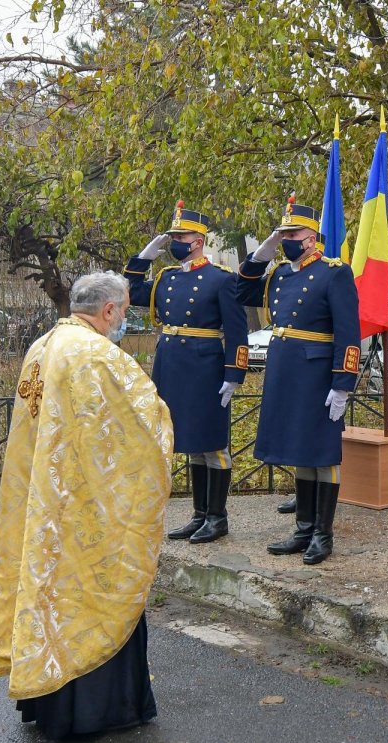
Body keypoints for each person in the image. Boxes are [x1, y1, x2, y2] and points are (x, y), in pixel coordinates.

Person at [0, 272, 173, 740]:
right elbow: (145, 424)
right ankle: (98, 712)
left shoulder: (43, 346)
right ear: (108, 310)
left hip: (45, 502)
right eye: (124, 311)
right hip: (86, 508)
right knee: (93, 597)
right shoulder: (98, 355)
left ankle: (48, 700)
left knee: (49, 593)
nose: (124, 319)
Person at [236, 198, 360, 565]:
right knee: (300, 451)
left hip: (317, 374)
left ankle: (323, 534)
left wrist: (343, 384)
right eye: (283, 234)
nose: (286, 240)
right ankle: (303, 528)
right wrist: (262, 253)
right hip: (285, 371)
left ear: (311, 238)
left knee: (322, 452)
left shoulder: (334, 273)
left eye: (292, 234)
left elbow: (348, 333)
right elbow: (243, 292)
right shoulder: (280, 274)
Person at [126, 201, 250, 544]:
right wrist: (143, 257)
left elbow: (237, 332)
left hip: (205, 368)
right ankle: (199, 515)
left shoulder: (221, 279)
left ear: (197, 241)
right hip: (172, 366)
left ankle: (217, 517)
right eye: (172, 237)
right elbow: (130, 291)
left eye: (180, 237)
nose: (174, 243)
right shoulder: (167, 277)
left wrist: (234, 374)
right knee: (192, 443)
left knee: (213, 443)